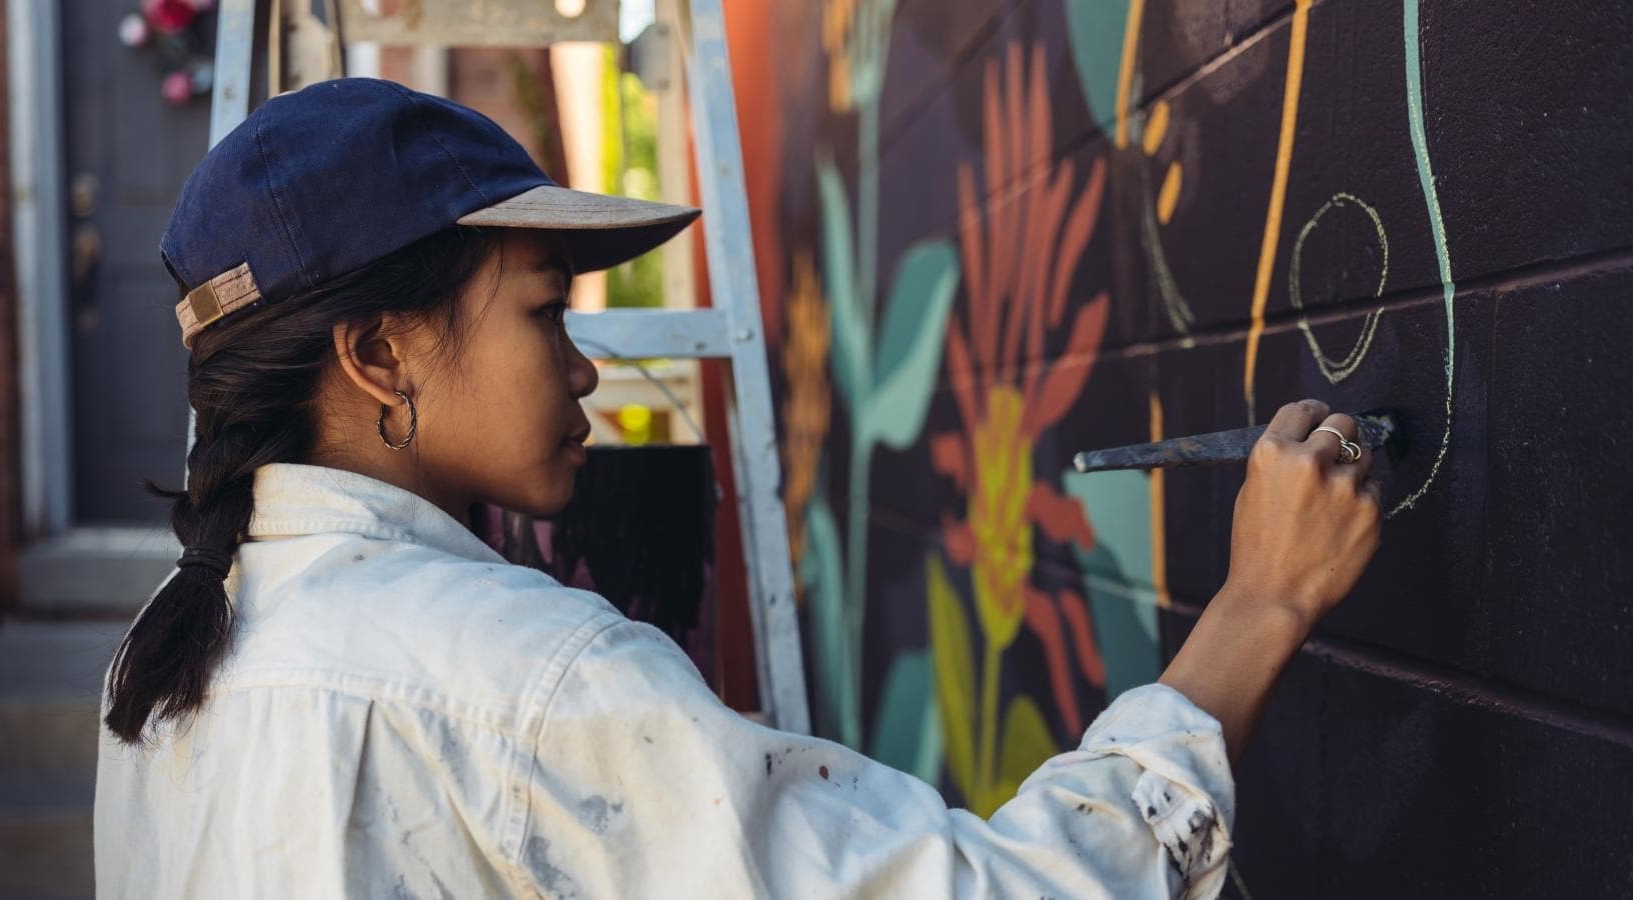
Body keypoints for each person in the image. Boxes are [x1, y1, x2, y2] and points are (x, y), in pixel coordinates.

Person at [94, 78, 1381, 899]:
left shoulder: (164, 661)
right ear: (378, 353)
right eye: (545, 313)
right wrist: (1256, 609)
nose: (585, 366)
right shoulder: (523, 680)